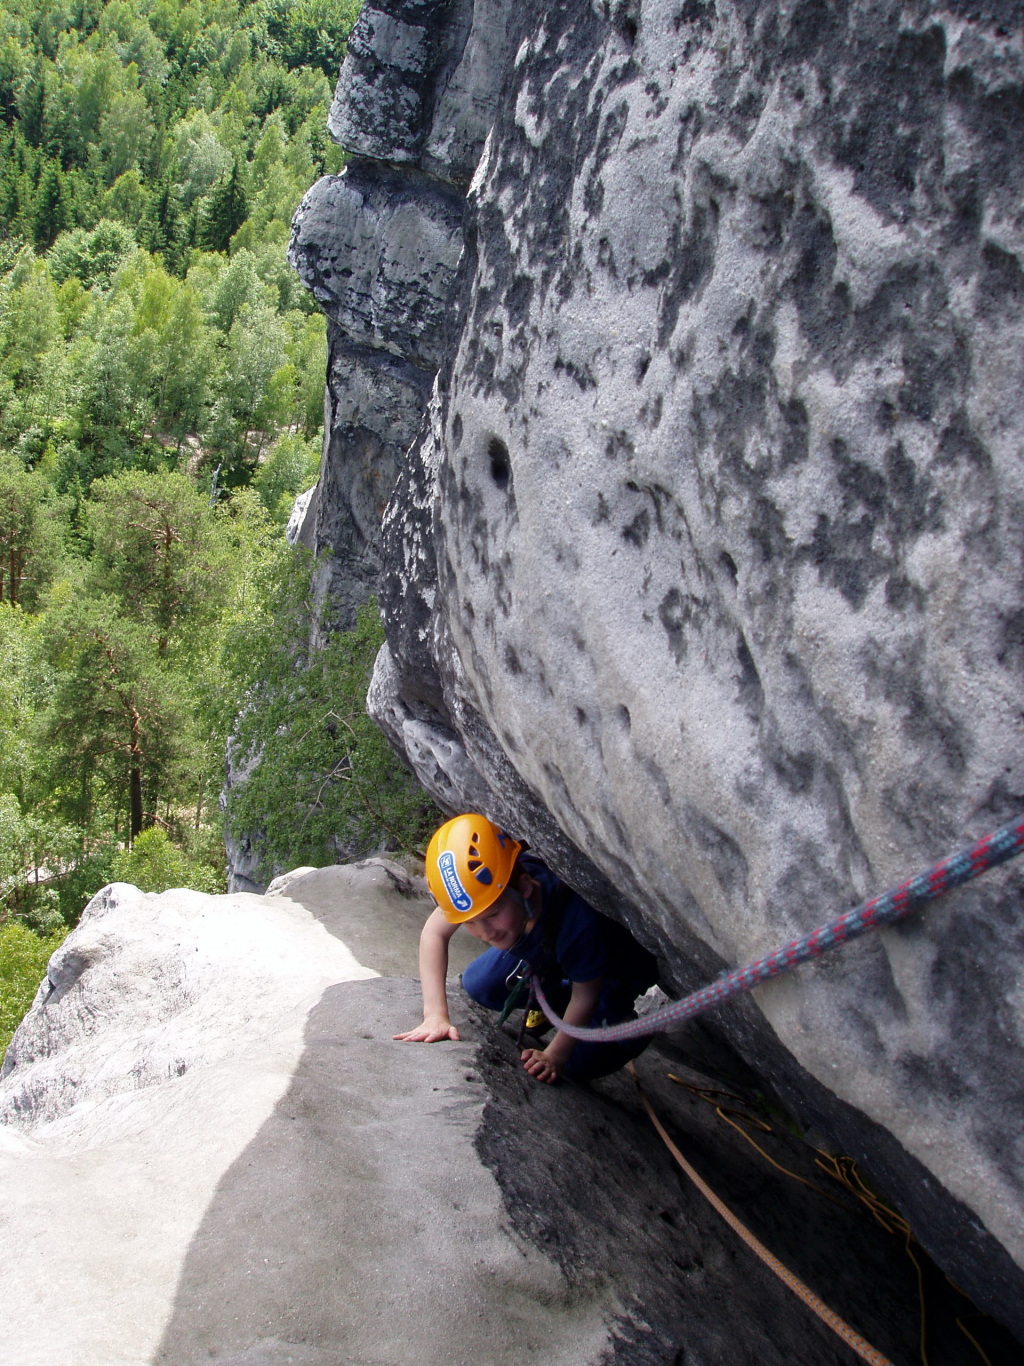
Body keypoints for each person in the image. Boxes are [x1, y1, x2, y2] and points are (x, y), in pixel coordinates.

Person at [393, 813, 659, 1083]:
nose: (485, 932)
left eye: (493, 915)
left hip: (603, 974)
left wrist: (555, 1055)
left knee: (578, 1064)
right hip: (548, 951)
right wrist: (435, 1015)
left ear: (524, 887)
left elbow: (585, 996)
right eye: (470, 922)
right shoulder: (490, 890)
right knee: (480, 985)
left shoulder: (579, 926)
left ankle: (628, 1033)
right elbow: (433, 933)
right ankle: (553, 1004)